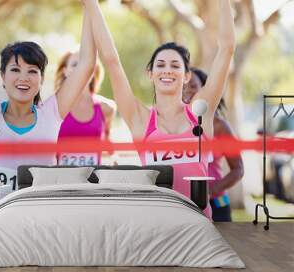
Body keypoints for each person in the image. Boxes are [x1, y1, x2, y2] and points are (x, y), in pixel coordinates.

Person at [84, 0, 236, 219]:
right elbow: (111, 60)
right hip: (157, 225)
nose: (168, 71)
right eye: (161, 65)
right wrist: (91, 4)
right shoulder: (141, 119)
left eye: (175, 66)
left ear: (186, 76)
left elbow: (227, 49)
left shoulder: (199, 113)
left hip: (198, 227)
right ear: (151, 74)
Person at [0, 3, 96, 205]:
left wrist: (89, 4)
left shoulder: (51, 113)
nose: (24, 78)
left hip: (41, 220)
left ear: (41, 80)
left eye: (32, 71)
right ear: (2, 77)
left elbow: (86, 64)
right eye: (15, 69)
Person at [184, 67, 244, 222]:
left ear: (205, 90)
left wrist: (211, 191)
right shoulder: (168, 125)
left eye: (193, 86)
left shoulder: (219, 126)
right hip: (181, 205)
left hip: (217, 204)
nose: (187, 91)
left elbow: (238, 169)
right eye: (183, 86)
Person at [55, 52, 116, 166]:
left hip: (92, 181)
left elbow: (108, 148)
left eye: (86, 65)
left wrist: (115, 161)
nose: (81, 69)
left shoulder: (107, 108)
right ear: (65, 71)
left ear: (94, 71)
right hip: (60, 180)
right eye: (75, 65)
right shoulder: (52, 106)